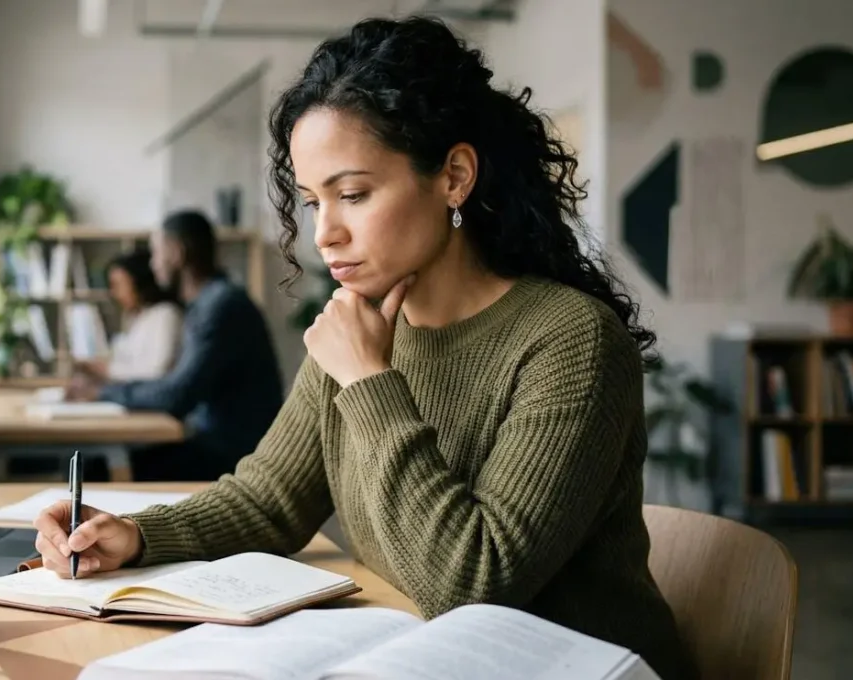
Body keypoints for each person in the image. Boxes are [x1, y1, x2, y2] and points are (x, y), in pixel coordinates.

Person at [37, 16, 694, 680]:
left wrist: (370, 381)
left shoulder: (570, 342)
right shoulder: (359, 328)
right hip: (418, 654)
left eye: (352, 194)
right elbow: (269, 498)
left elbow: (473, 585)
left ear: (454, 177)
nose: (325, 234)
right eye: (313, 201)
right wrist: (139, 536)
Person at [67, 209, 284, 481]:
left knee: (97, 468)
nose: (153, 264)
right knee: (97, 462)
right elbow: (173, 385)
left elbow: (177, 395)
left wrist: (102, 393)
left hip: (232, 456)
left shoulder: (221, 307)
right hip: (215, 444)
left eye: (157, 253)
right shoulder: (208, 304)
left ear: (177, 253)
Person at [74, 249, 182, 382]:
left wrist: (107, 370)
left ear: (139, 283)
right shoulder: (135, 317)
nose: (114, 293)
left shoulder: (166, 315)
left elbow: (157, 371)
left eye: (119, 285)